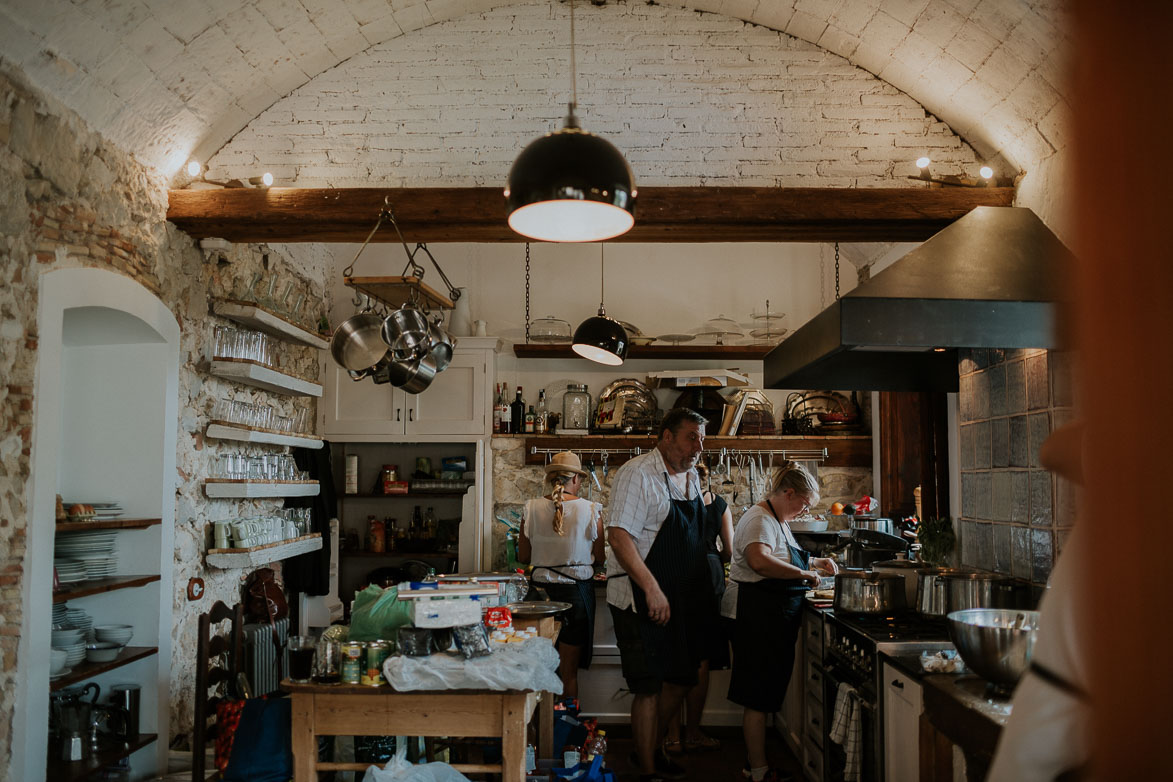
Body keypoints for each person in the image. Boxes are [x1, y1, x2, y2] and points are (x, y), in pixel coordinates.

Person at [606, 407, 711, 782]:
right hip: (640, 595)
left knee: (682, 678)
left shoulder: (692, 478)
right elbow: (618, 535)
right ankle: (647, 770)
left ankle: (647, 748)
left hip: (681, 597)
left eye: (702, 438)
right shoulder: (638, 474)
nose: (698, 447)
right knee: (649, 686)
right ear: (666, 436)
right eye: (690, 437)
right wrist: (652, 588)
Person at [722, 461, 838, 782]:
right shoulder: (759, 519)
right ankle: (758, 771)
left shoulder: (778, 518)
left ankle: (754, 765)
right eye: (803, 504)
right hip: (754, 616)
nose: (803, 511)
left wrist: (816, 561)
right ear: (788, 493)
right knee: (757, 698)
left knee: (763, 693)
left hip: (770, 618)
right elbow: (760, 560)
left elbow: (784, 556)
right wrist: (806, 574)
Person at [517, 451, 604, 698]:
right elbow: (601, 558)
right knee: (569, 673)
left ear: (550, 479)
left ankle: (539, 731)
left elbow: (524, 557)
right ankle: (567, 729)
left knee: (539, 669)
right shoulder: (591, 510)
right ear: (575, 479)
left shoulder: (530, 508)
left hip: (540, 598)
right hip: (575, 596)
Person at [663, 459, 733, 755]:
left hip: (678, 575)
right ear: (706, 480)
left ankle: (671, 736)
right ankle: (693, 732)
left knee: (676, 650)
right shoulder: (719, 504)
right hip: (710, 573)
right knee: (701, 657)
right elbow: (729, 551)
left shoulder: (672, 501)